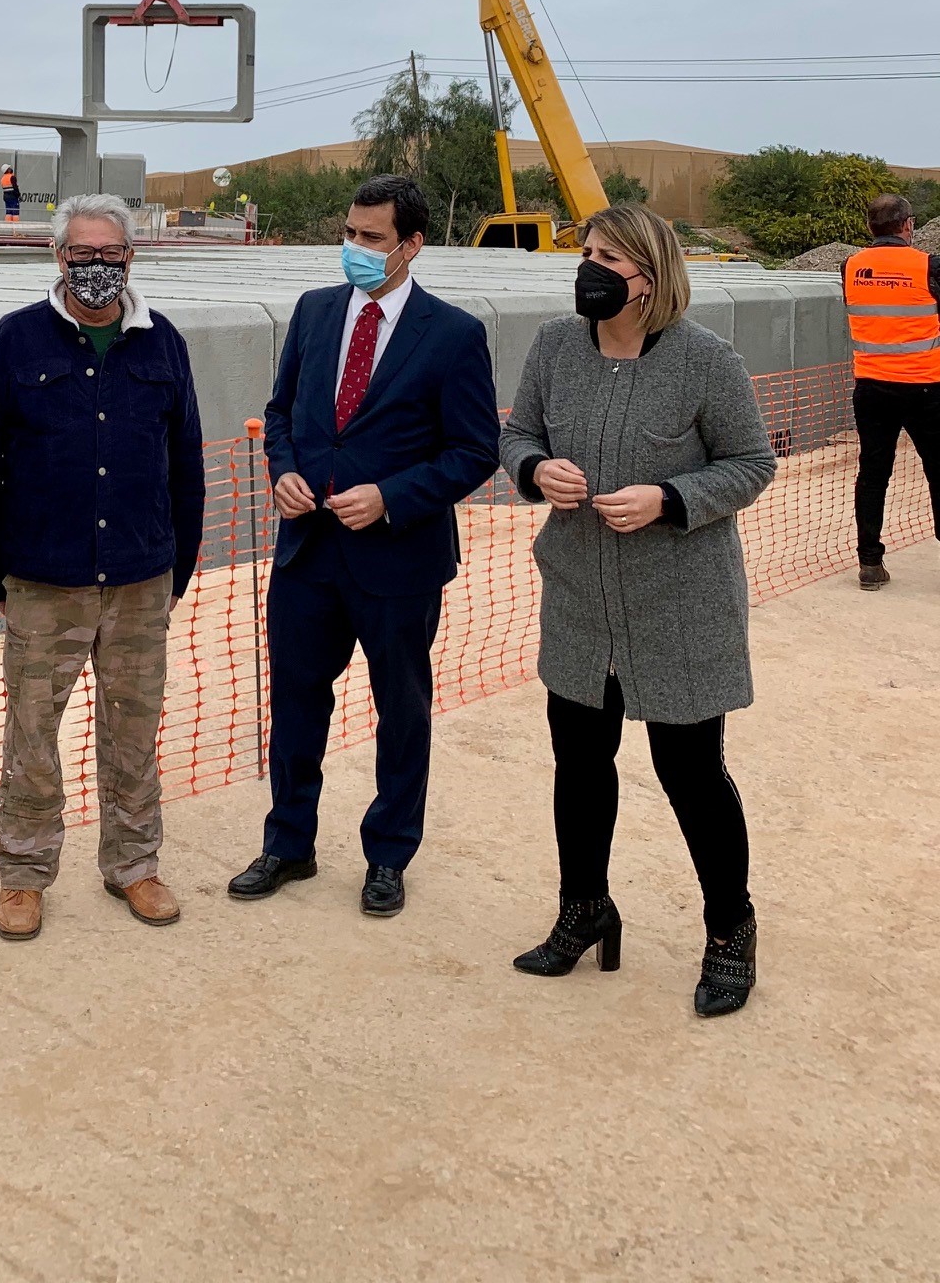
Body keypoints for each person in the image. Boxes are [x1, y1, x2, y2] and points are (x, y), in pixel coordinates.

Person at [499, 202, 777, 1019]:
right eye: (585, 252)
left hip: (679, 607)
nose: (586, 268)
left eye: (606, 257)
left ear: (648, 281)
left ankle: (730, 930)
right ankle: (585, 908)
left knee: (690, 773)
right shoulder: (555, 345)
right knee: (579, 768)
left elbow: (753, 464)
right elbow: (516, 435)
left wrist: (670, 496)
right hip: (580, 601)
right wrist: (535, 469)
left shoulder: (706, 361)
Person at [227, 174, 500, 918]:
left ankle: (388, 854)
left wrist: (392, 498)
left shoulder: (453, 334)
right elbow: (280, 412)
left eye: (372, 239)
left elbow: (475, 451)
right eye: (348, 233)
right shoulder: (315, 312)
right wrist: (282, 471)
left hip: (398, 561)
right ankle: (288, 844)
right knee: (295, 706)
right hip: (306, 554)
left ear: (412, 245)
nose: (354, 248)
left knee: (402, 712)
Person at [0, 192, 205, 940]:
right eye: (81, 254)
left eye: (110, 254)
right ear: (58, 257)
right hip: (42, 580)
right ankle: (24, 874)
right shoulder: (12, 343)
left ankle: (135, 863)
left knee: (134, 729)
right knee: (32, 735)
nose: (95, 267)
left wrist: (176, 568)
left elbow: (184, 464)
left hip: (138, 579)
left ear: (131, 257)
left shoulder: (163, 344)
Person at [843, 192, 940, 590]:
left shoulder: (850, 266)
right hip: (925, 389)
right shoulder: (930, 266)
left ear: (870, 227)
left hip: (872, 388)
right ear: (907, 225)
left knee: (872, 474)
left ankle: (869, 564)